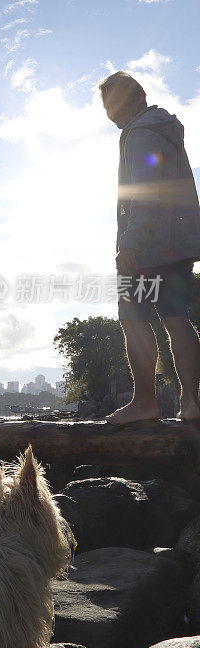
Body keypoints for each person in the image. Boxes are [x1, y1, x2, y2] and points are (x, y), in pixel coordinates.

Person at [99, 71, 200, 424]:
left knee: (132, 318)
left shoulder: (140, 133)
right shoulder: (165, 131)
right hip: (178, 244)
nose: (106, 113)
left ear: (121, 103)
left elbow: (144, 191)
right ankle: (191, 404)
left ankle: (145, 402)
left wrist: (129, 242)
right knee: (176, 318)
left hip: (144, 247)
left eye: (107, 103)